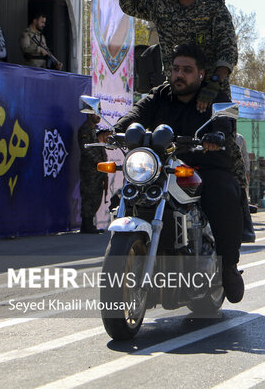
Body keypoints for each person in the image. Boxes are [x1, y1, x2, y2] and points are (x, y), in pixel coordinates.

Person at [97, 43, 245, 303]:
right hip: (162, 167)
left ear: (201, 74)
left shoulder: (215, 97)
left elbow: (225, 121)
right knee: (125, 194)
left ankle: (228, 267)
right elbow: (137, 114)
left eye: (187, 70)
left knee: (224, 194)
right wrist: (115, 129)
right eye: (176, 69)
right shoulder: (160, 95)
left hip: (203, 165)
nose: (179, 75)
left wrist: (218, 134)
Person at [119, 0, 238, 112]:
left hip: (211, 93)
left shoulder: (214, 8)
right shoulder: (161, 5)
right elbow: (127, 5)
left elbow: (228, 52)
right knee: (165, 135)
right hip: (176, 92)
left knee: (219, 135)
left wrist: (214, 83)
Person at [77, 112, 108, 234]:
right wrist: (99, 163)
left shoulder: (96, 130)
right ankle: (86, 224)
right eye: (96, 114)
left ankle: (89, 224)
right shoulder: (85, 129)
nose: (99, 116)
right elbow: (86, 150)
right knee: (89, 196)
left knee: (96, 196)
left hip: (99, 170)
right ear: (89, 116)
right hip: (90, 170)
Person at [236, 132, 256, 243]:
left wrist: (247, 171)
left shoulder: (239, 138)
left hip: (237, 172)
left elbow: (245, 157)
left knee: (242, 196)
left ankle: (246, 228)